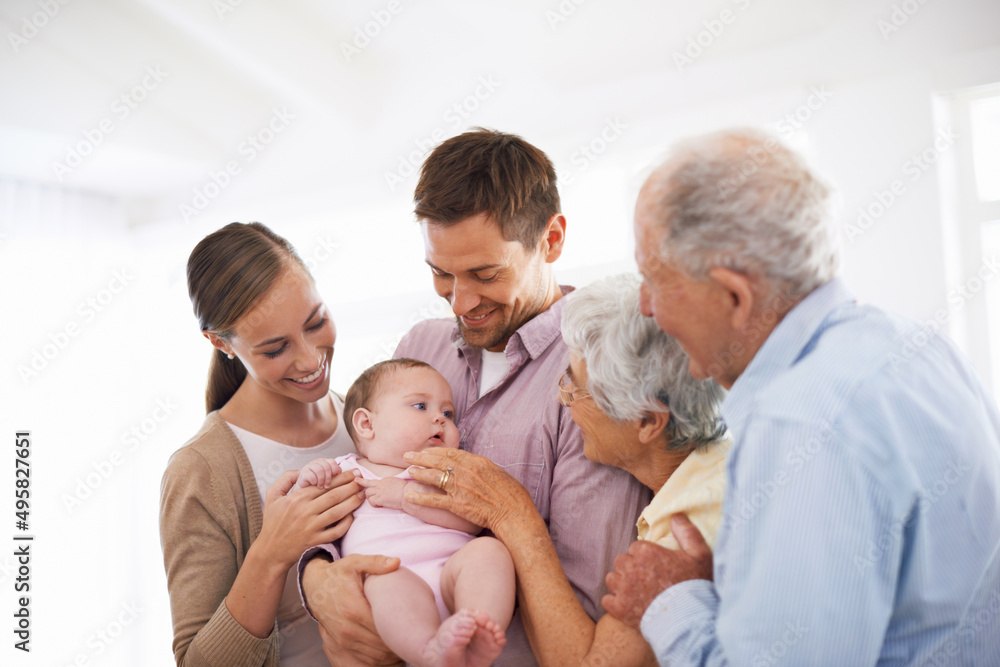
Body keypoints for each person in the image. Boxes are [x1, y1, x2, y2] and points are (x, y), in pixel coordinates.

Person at [603, 128, 1000, 665]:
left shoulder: (802, 423)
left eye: (653, 278)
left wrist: (669, 602)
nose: (646, 306)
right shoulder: (917, 346)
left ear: (733, 296)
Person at [299, 129, 650, 666]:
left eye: (485, 274)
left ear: (551, 239)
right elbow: (357, 484)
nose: (460, 302)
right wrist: (318, 579)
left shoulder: (596, 373)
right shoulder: (420, 346)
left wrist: (504, 517)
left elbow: (584, 609)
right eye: (441, 273)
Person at [403, 272, 730, 666]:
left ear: (646, 420)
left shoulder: (691, 524)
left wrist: (513, 513)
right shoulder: (703, 479)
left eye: (575, 385)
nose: (562, 396)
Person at [159, 222, 365, 666]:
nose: (311, 360)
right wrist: (271, 554)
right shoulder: (202, 471)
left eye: (316, 322)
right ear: (220, 343)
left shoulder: (367, 418)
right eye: (275, 350)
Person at [294, 358, 514, 667]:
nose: (440, 419)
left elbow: (472, 521)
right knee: (383, 580)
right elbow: (309, 514)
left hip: (455, 576)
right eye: (421, 407)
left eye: (448, 413)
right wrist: (311, 478)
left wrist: (406, 496)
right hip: (394, 589)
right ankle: (429, 652)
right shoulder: (348, 471)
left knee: (489, 550)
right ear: (367, 424)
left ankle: (476, 626)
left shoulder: (446, 470)